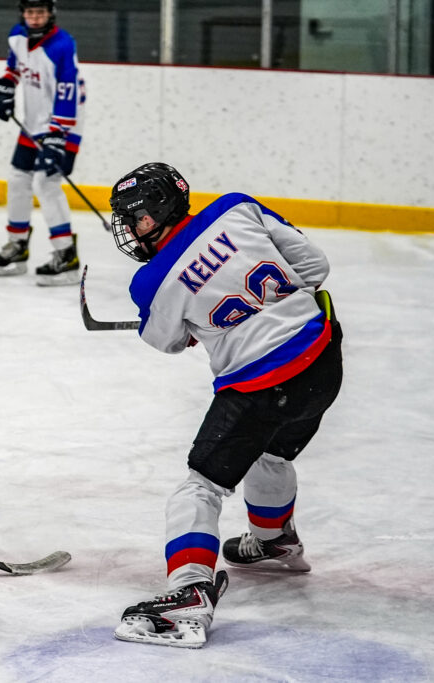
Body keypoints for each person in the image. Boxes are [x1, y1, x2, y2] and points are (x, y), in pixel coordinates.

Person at [106, 162, 343, 648]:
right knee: (270, 452)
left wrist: (204, 319)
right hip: (323, 361)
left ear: (161, 209)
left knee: (200, 487)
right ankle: (275, 540)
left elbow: (167, 342)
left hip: (260, 385)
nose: (131, 230)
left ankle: (189, 593)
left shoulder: (150, 282)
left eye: (137, 219)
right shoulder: (237, 207)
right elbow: (315, 269)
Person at [0, 0, 84, 286]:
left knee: (46, 183)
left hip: (63, 125)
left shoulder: (63, 45)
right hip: (32, 126)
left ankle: (66, 255)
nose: (35, 17)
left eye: (40, 12)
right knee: (18, 179)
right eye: (30, 12)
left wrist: (58, 133)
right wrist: (5, 85)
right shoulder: (17, 36)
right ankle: (17, 246)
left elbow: (68, 91)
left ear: (50, 14)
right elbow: (14, 67)